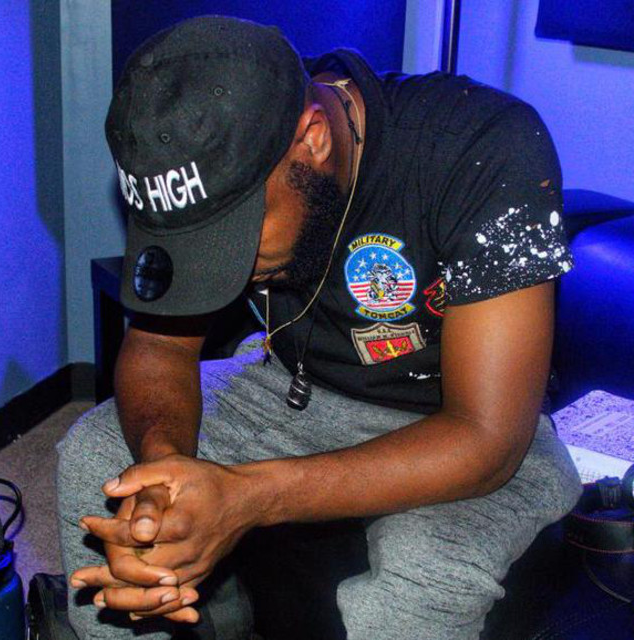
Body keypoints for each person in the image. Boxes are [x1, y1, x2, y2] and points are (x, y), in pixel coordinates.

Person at [57, 15, 582, 640]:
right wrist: (167, 476)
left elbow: (486, 438)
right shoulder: (203, 145)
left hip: (458, 426)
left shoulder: (484, 145)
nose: (231, 274)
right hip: (293, 392)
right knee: (98, 456)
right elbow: (156, 346)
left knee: (423, 573)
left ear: (312, 137)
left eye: (234, 238)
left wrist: (249, 496)